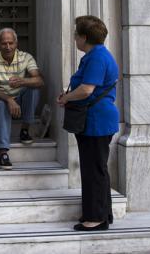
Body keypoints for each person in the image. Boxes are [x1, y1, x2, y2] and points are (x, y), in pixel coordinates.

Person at [56, 15, 119, 232]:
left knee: (93, 170)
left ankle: (96, 218)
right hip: (96, 120)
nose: (74, 38)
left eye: (75, 34)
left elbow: (86, 89)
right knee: (97, 168)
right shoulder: (97, 55)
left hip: (96, 121)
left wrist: (66, 98)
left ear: (84, 37)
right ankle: (102, 213)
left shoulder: (97, 57)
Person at [0, 28, 44, 169]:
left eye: (11, 43)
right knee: (1, 104)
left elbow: (40, 80)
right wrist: (9, 100)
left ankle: (25, 129)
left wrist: (23, 81)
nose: (8, 47)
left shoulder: (26, 57)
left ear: (16, 43)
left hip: (20, 100)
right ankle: (3, 152)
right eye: (4, 43)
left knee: (33, 88)